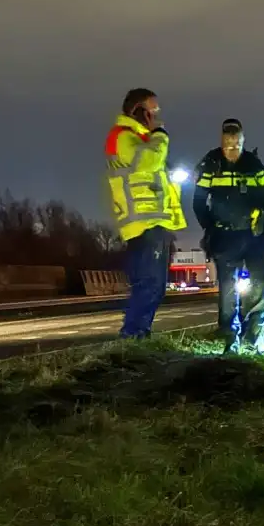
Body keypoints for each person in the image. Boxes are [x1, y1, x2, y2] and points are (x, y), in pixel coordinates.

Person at [104, 88, 187, 339]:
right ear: (139, 110)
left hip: (153, 220)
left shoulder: (139, 138)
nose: (157, 115)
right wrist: (161, 136)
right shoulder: (123, 137)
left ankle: (138, 334)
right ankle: (133, 335)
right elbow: (147, 163)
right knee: (150, 284)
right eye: (154, 109)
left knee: (154, 285)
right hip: (143, 221)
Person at [192, 119, 264, 354]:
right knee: (228, 289)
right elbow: (199, 201)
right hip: (225, 236)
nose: (232, 150)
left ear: (243, 142)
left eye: (236, 145)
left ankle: (256, 333)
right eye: (228, 146)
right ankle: (231, 336)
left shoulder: (253, 164)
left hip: (254, 236)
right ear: (221, 142)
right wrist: (210, 227)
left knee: (260, 285)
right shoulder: (211, 164)